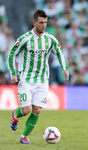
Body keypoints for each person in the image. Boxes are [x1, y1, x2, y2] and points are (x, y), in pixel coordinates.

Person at [8, 9, 69, 144]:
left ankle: (24, 136)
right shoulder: (25, 39)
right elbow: (12, 54)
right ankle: (15, 114)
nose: (44, 25)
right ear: (34, 22)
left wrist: (64, 68)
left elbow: (59, 52)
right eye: (41, 22)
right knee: (26, 110)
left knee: (37, 110)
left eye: (45, 22)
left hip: (42, 81)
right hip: (26, 80)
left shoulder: (50, 39)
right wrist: (13, 73)